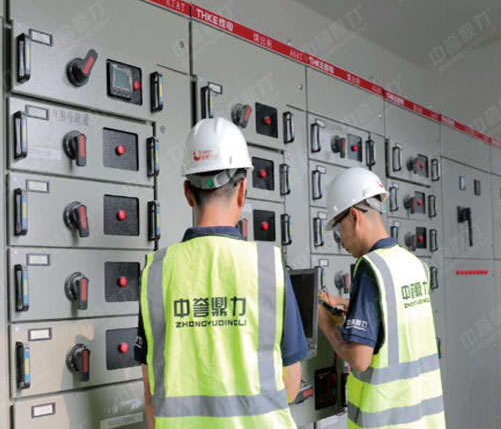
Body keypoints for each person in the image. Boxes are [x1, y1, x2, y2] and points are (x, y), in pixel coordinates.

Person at [134, 117, 308, 429]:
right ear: (242, 190)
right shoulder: (268, 266)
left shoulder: (157, 272)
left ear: (188, 192)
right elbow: (291, 385)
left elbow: (151, 392)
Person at [317, 167, 445, 429]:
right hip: (423, 419)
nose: (342, 242)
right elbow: (392, 312)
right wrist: (343, 304)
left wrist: (326, 324)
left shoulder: (369, 268)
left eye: (339, 230)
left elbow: (359, 358)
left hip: (387, 421)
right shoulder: (413, 263)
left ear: (354, 216)